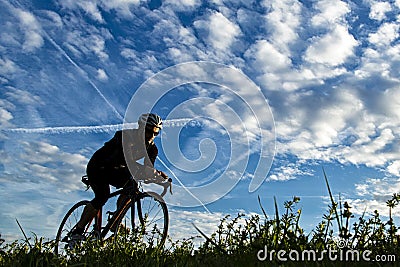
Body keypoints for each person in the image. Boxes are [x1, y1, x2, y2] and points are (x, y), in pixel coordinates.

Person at [71, 113, 167, 237]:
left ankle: (115, 222)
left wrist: (155, 175)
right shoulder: (124, 136)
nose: (151, 136)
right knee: (102, 196)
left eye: (156, 133)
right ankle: (78, 231)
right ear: (140, 127)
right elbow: (125, 160)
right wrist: (147, 171)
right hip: (99, 167)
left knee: (132, 188)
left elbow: (148, 168)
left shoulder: (152, 149)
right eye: (149, 131)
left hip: (117, 170)